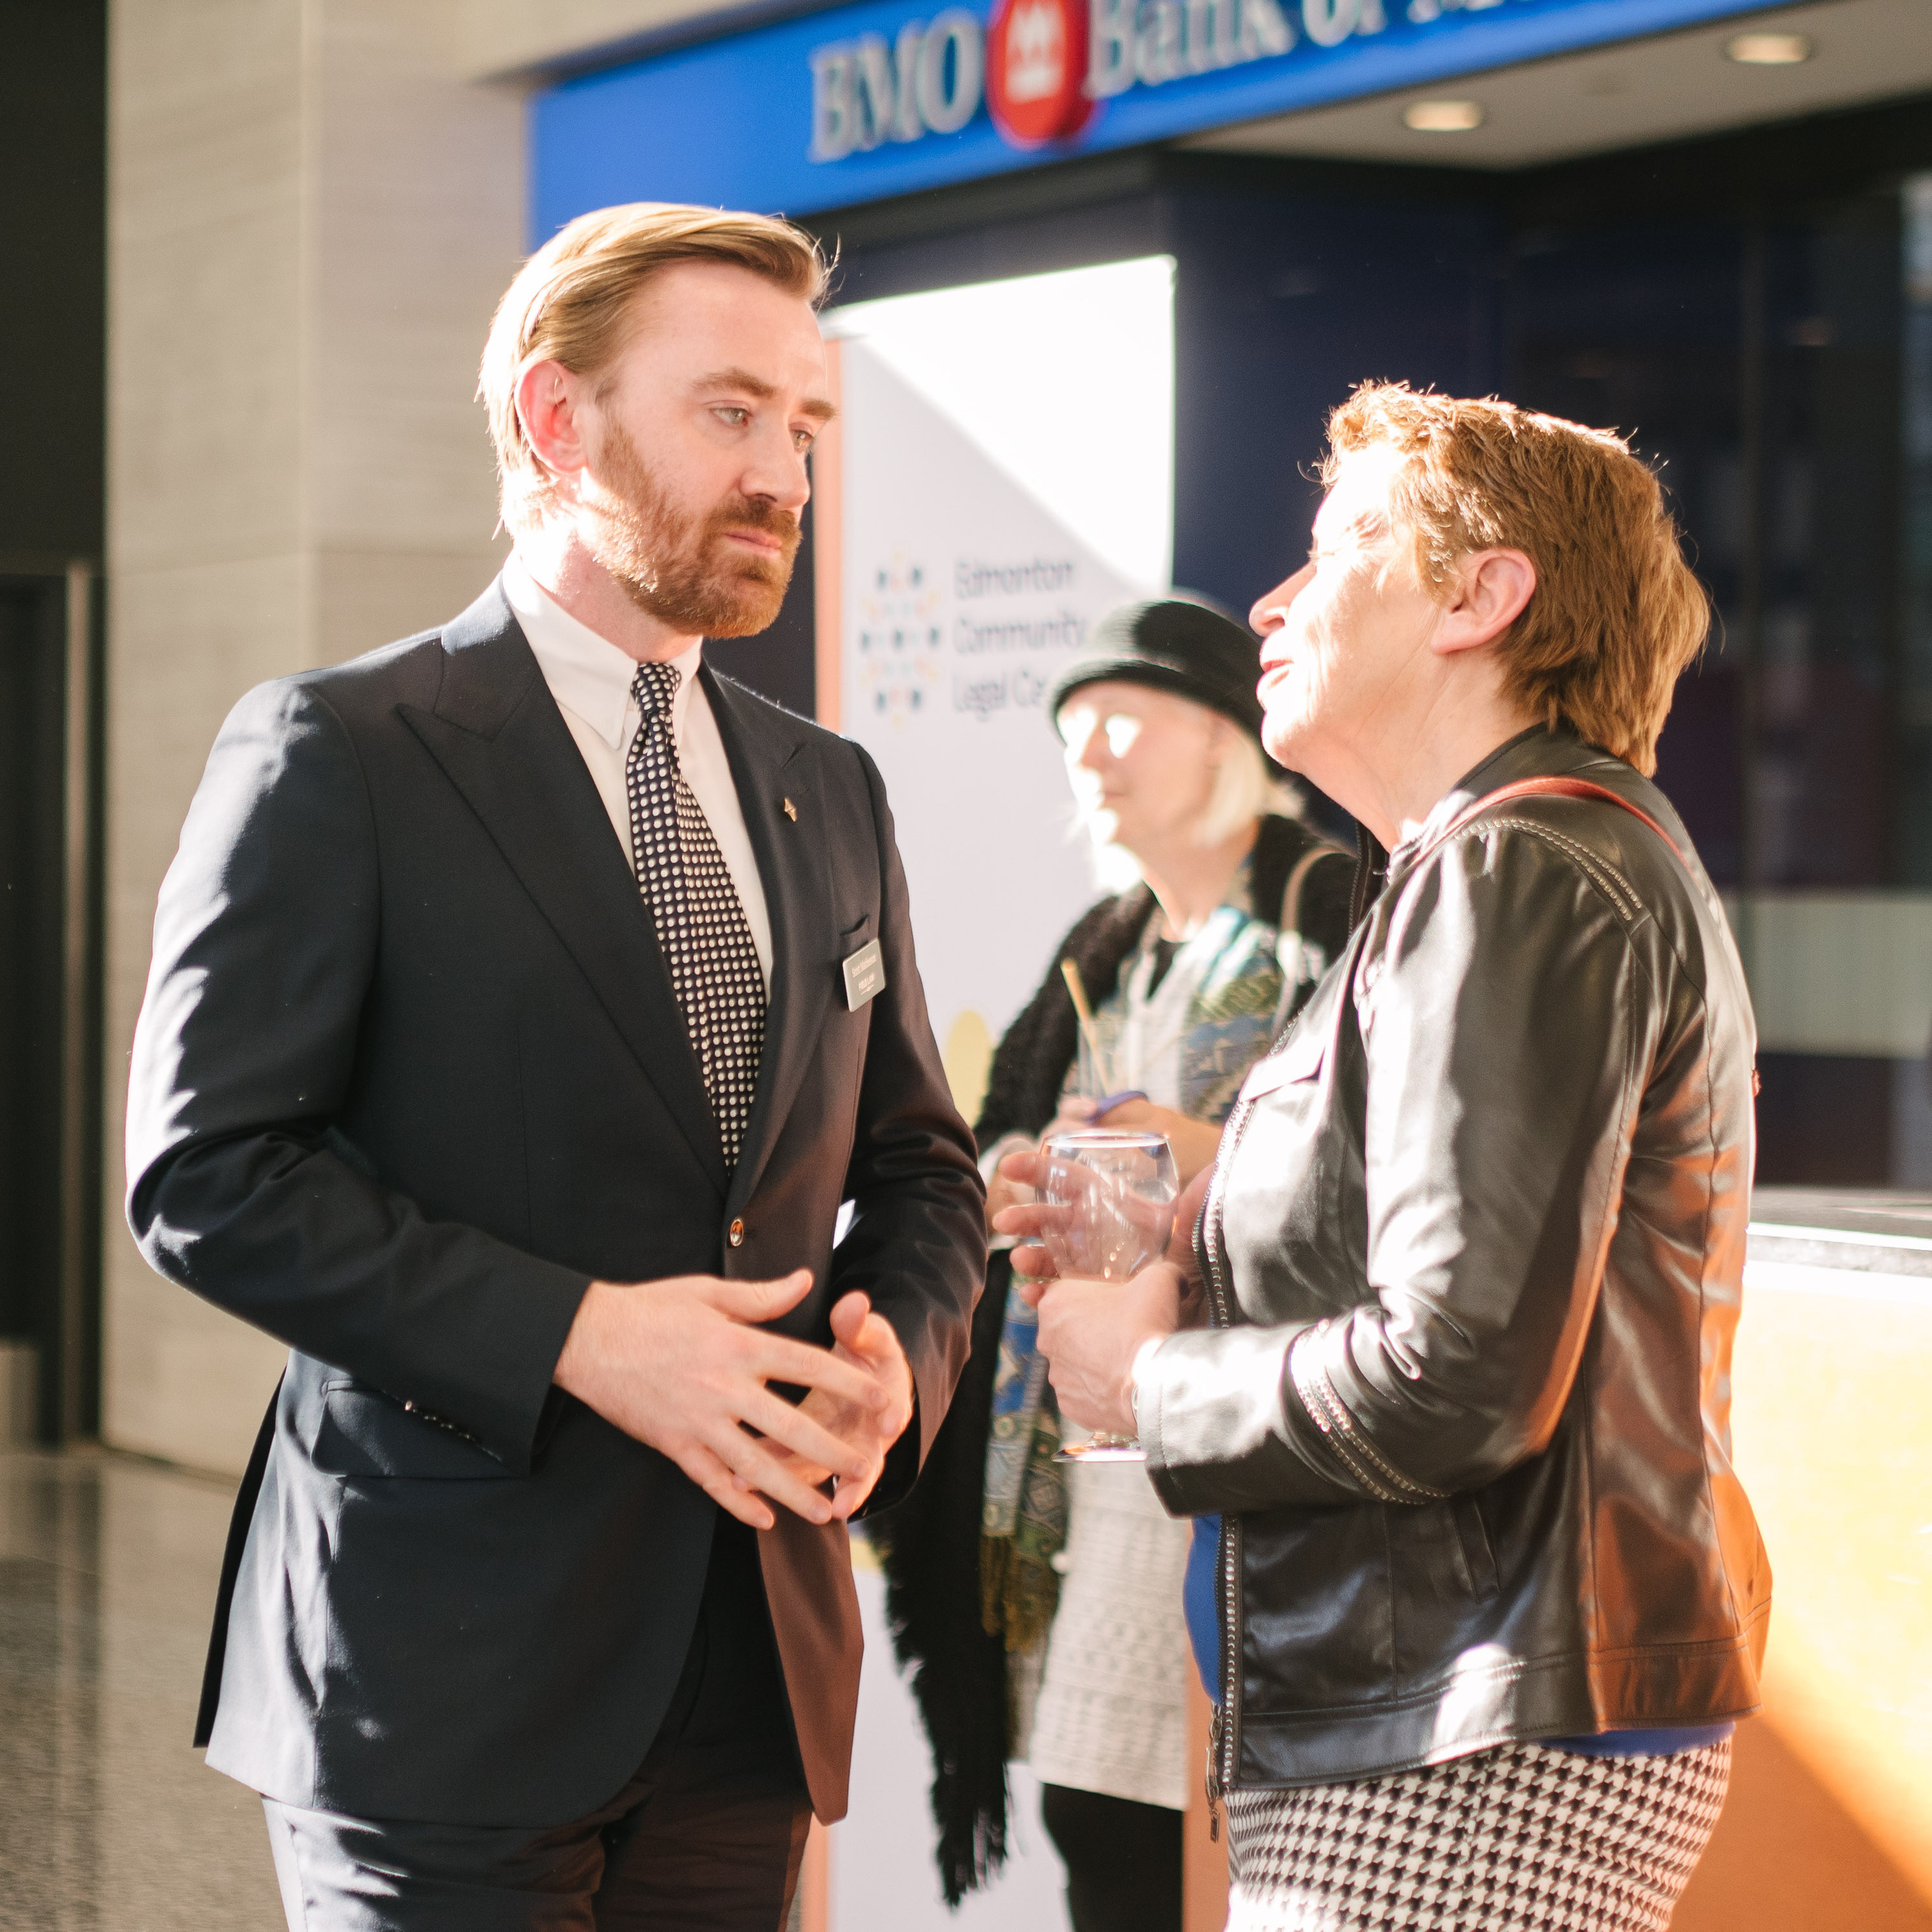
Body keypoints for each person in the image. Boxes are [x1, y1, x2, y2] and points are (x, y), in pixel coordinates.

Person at [123, 202, 986, 1931]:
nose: (783, 476)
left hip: (750, 1669)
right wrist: (584, 1334)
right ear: (552, 419)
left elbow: (917, 1166)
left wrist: (906, 1364)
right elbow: (208, 1172)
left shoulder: (832, 788)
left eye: (804, 427)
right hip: (437, 1677)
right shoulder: (342, 749)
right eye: (728, 413)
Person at [1004, 385, 1771, 1932]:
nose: (1269, 602)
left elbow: (1455, 1370)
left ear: (1483, 597)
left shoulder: (1513, 866)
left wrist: (1137, 1380)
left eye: (1339, 541)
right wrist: (1195, 1232)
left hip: (1465, 1730)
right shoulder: (1502, 861)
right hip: (1450, 1704)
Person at [876, 599, 1354, 1930]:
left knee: (1182, 1826)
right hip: (1084, 1450)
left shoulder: (1335, 908)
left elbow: (1374, 1159)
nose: (1091, 752)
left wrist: (1200, 1150)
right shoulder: (1104, 940)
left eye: (1124, 718)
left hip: (1243, 1438)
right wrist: (1015, 1173)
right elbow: (987, 1141)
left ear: (1222, 738)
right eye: (1073, 728)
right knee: (1096, 1815)